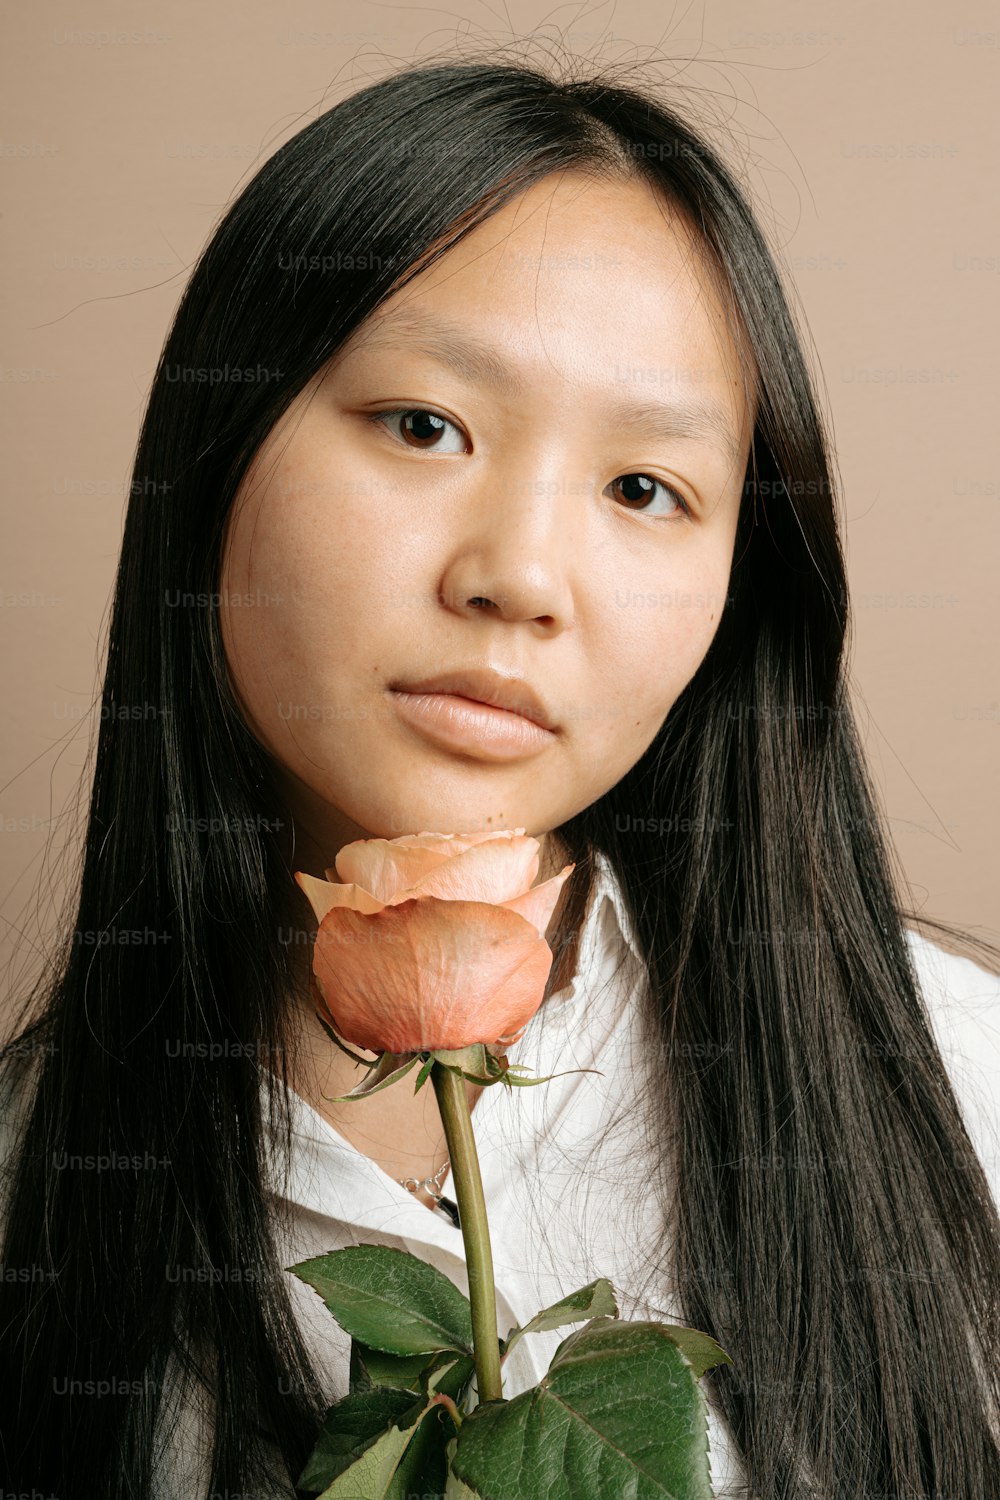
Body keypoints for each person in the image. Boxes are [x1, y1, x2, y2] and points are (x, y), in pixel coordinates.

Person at [1, 49, 998, 1500]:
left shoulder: (960, 1090)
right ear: (217, 456)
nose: (522, 576)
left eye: (644, 488)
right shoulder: (32, 1199)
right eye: (425, 426)